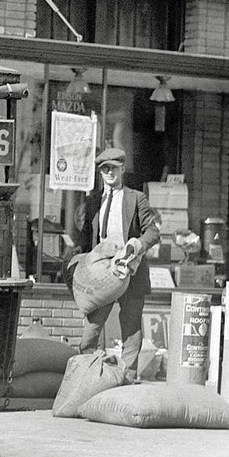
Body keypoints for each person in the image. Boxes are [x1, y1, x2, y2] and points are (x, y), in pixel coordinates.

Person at [75, 147, 160, 380]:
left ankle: (128, 377)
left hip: (130, 271)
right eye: (105, 169)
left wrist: (137, 246)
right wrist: (75, 259)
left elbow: (152, 232)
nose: (110, 172)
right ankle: (85, 374)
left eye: (114, 167)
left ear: (122, 169)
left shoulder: (136, 198)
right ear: (100, 172)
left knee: (131, 327)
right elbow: (85, 237)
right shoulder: (92, 202)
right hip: (102, 273)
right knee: (92, 326)